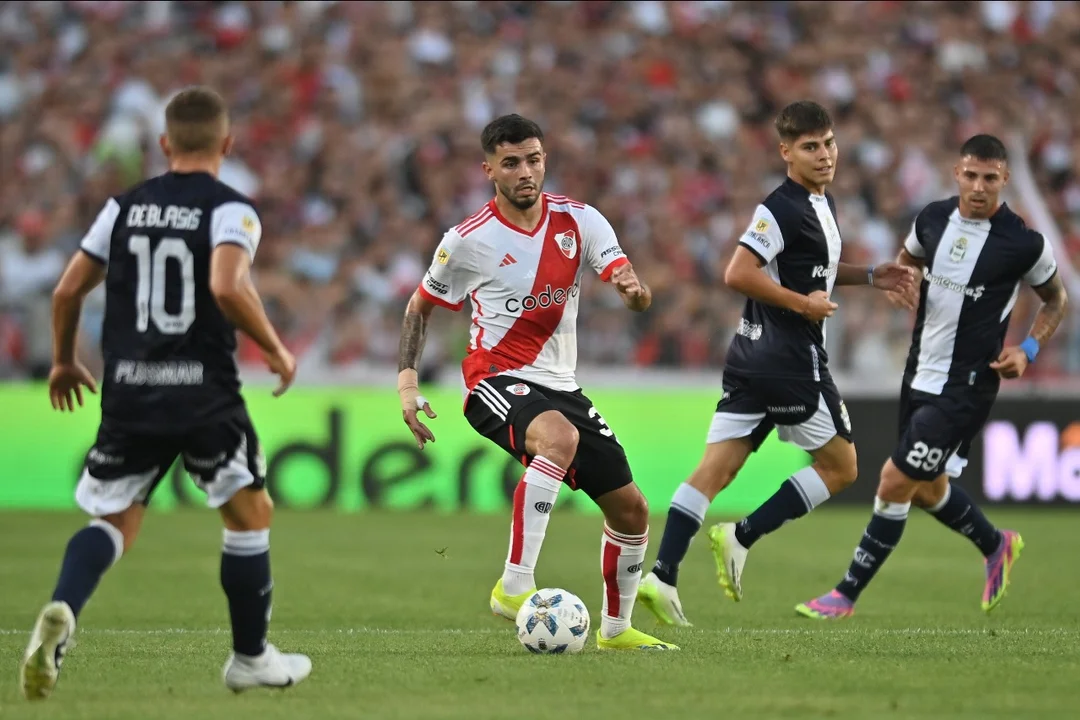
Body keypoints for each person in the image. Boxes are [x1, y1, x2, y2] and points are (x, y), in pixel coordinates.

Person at [19, 87, 310, 701]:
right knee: (248, 512)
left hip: (130, 389)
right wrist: (277, 348)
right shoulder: (232, 209)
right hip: (204, 392)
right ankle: (251, 657)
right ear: (227, 146)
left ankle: (63, 610)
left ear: (163, 145)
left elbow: (67, 291)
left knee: (115, 519)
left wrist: (65, 361)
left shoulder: (122, 207)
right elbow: (228, 287)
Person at [397, 114, 676, 650]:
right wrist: (408, 385)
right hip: (493, 379)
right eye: (511, 163)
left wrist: (633, 290)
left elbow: (623, 274)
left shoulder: (581, 222)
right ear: (489, 171)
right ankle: (513, 584)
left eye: (534, 159)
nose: (526, 171)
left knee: (633, 509)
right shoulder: (466, 241)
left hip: (561, 387)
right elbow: (419, 308)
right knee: (559, 439)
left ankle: (616, 631)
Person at [636, 100, 916, 627]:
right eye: (810, 147)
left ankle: (663, 575)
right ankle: (741, 535)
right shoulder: (782, 206)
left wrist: (872, 274)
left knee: (716, 469)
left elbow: (818, 269)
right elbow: (737, 272)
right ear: (786, 151)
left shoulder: (818, 203)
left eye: (829, 143)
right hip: (790, 360)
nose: (824, 155)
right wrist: (802, 304)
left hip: (750, 356)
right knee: (843, 468)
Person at [796, 134, 1068, 619]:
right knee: (925, 487)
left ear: (1004, 179)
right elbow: (909, 261)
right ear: (957, 174)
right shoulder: (932, 219)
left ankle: (846, 594)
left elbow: (1055, 299)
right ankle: (995, 543)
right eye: (970, 175)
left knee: (895, 480)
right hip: (918, 372)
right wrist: (903, 282)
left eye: (989, 178)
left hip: (967, 385)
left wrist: (1027, 348)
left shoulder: (1024, 243)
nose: (979, 187)